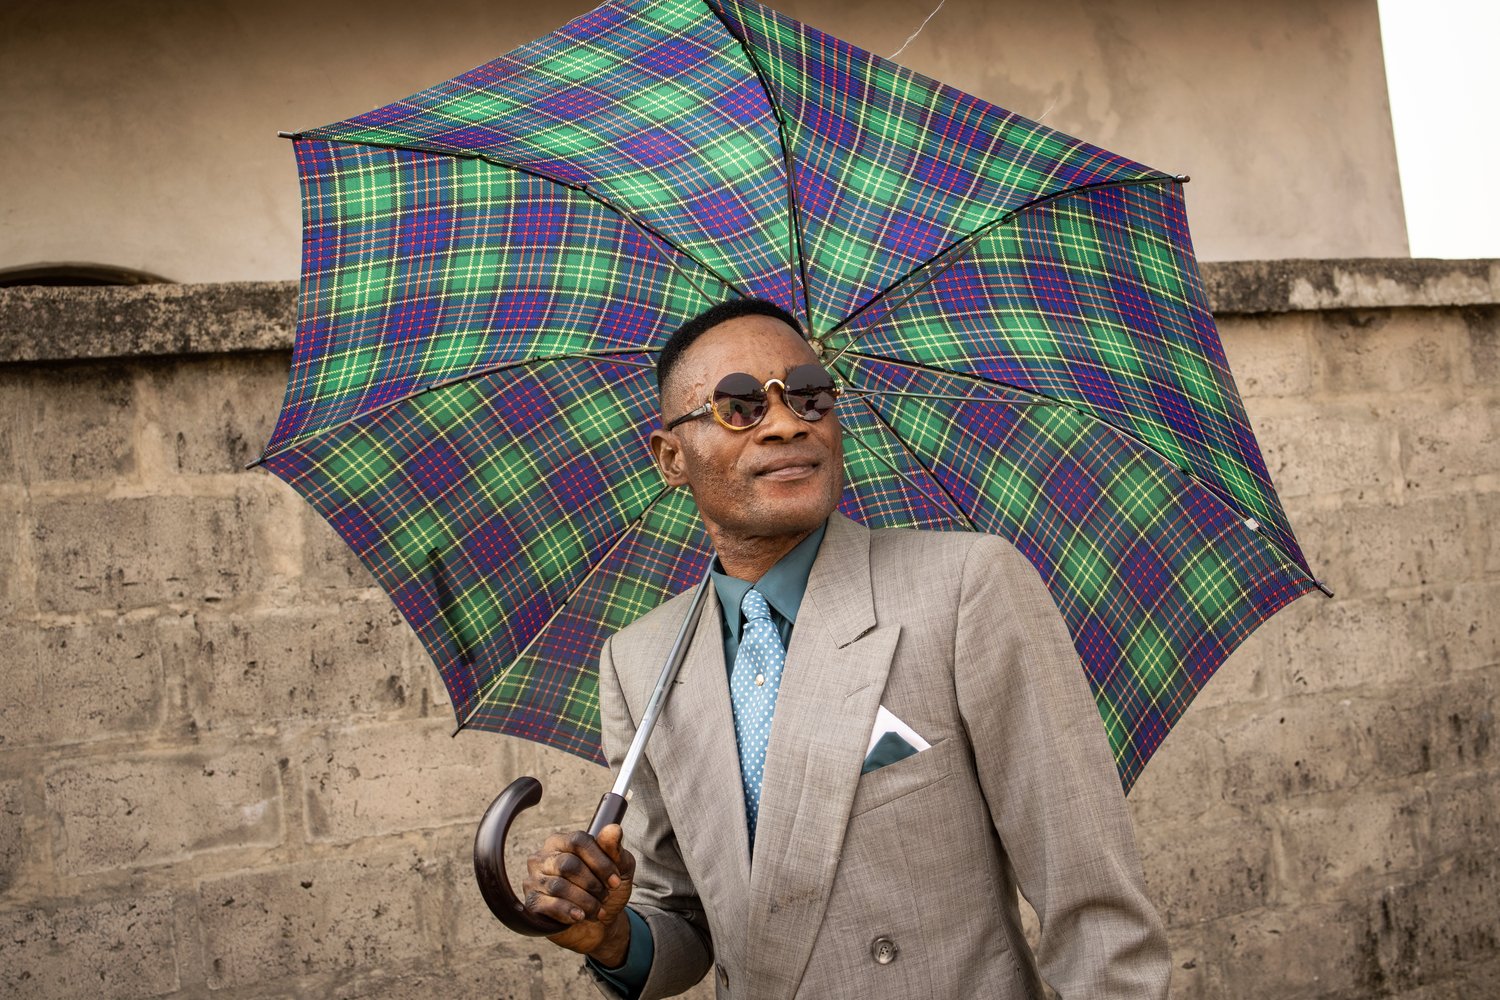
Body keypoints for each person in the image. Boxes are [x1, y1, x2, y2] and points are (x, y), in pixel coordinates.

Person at [521, 298, 1171, 998]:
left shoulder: (964, 588)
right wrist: (615, 938)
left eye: (808, 394)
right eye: (738, 405)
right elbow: (687, 915)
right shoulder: (640, 661)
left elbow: (1094, 907)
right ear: (671, 457)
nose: (783, 423)